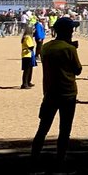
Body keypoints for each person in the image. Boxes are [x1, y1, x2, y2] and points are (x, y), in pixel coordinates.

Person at [31, 16, 81, 166]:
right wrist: (71, 48)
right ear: (68, 31)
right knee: (65, 129)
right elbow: (77, 70)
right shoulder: (69, 49)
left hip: (50, 92)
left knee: (43, 128)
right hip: (68, 93)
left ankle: (34, 157)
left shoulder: (46, 47)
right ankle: (60, 158)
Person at [20, 24, 36, 89]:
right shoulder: (27, 37)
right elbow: (31, 46)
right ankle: (24, 83)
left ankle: (28, 82)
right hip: (27, 54)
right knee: (27, 70)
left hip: (28, 54)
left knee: (30, 69)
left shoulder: (27, 37)